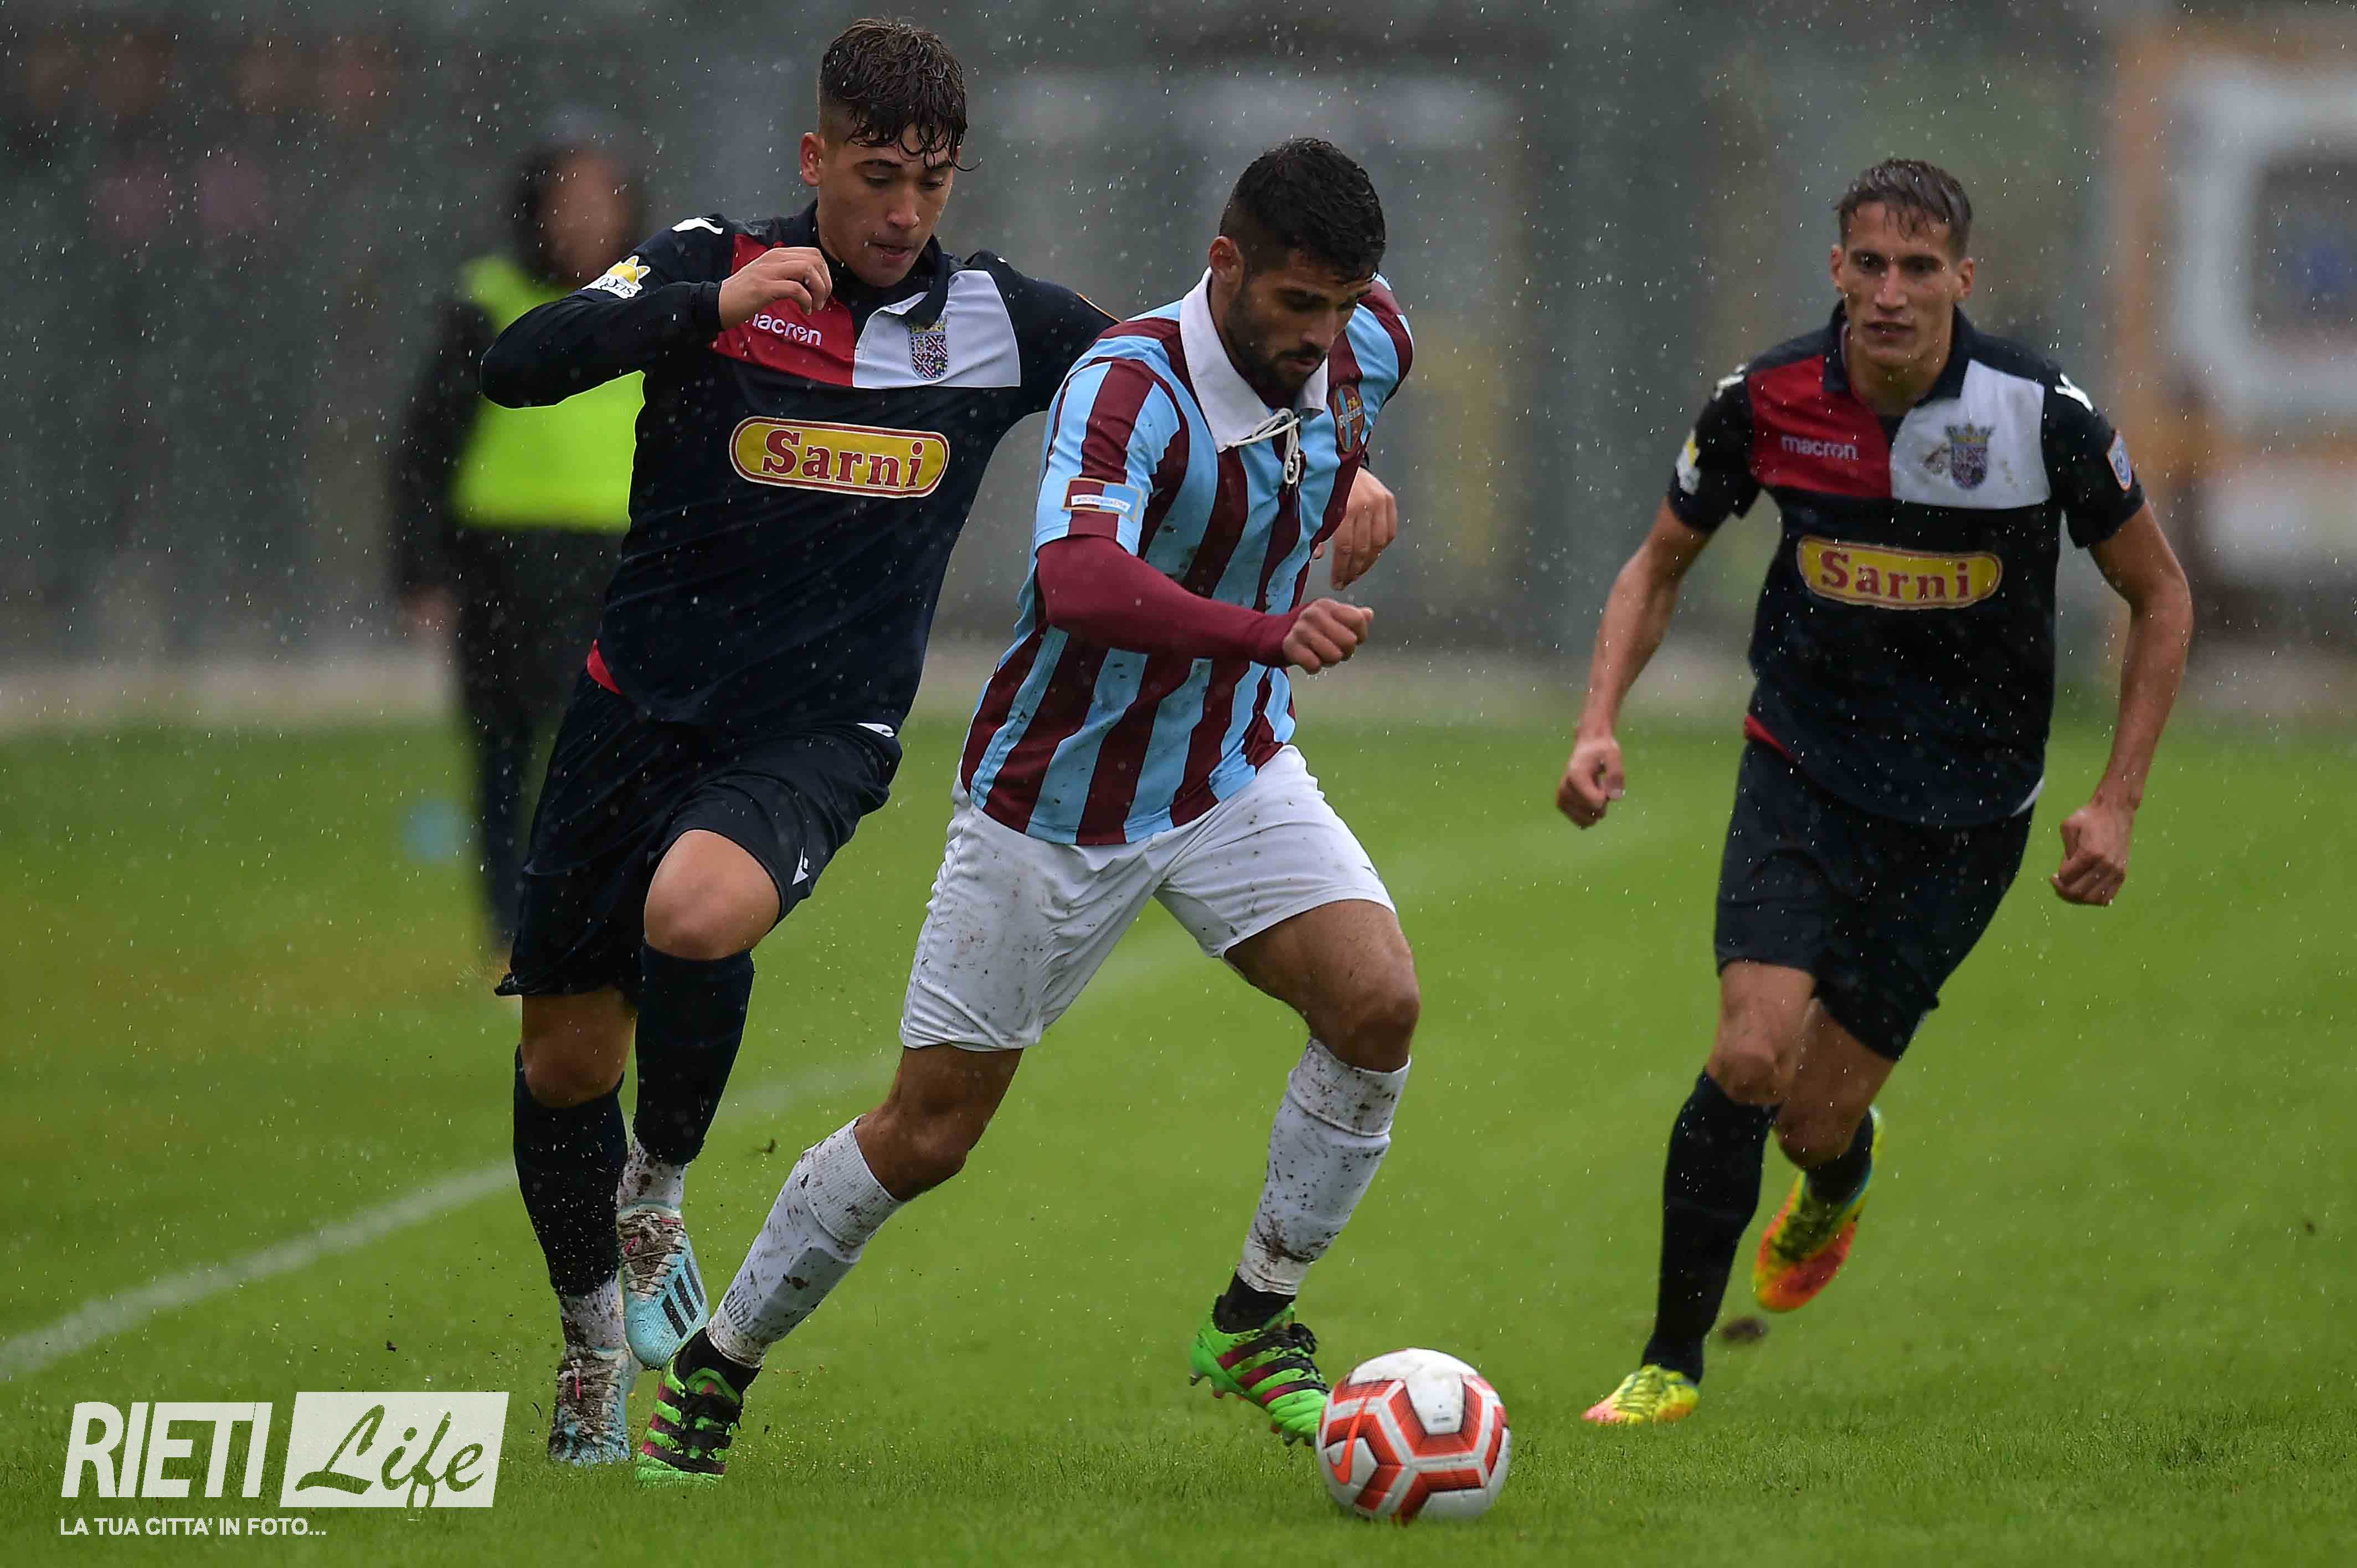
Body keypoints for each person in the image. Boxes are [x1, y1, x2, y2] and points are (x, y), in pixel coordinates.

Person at [477, 24, 1402, 1465]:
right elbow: (518, 366)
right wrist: (703, 308)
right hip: (633, 706)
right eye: (877, 176)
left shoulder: (1001, 319)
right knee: (563, 1064)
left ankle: (654, 1193)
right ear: (816, 160)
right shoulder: (714, 261)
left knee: (697, 915)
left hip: (819, 729)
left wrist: (1337, 467)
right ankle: (591, 1343)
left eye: (932, 180)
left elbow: (1186, 380)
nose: (905, 211)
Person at [1556, 159, 2194, 1426]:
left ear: (1963, 277)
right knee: (1748, 1051)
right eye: (1869, 264)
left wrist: (2117, 800)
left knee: (1808, 1123)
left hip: (1965, 816)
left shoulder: (2042, 417)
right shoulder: (1766, 401)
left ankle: (1837, 1177)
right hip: (1801, 771)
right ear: (1836, 271)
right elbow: (1657, 565)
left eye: (1918, 267)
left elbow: (2159, 595)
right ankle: (1669, 1362)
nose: (1891, 292)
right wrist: (1595, 724)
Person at [391, 139, 645, 955]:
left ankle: (590, 915)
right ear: (536, 210)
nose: (586, 220)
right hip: (503, 560)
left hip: (616, 559)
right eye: (569, 202)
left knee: (606, 747)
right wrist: (419, 569)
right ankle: (512, 929)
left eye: (602, 200)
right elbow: (425, 443)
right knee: (502, 750)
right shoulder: (488, 301)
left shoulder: (651, 300)